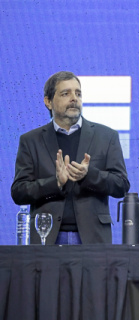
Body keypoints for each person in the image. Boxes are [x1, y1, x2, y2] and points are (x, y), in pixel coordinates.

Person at [11, 71, 130, 245]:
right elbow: (19, 192)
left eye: (78, 93)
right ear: (48, 102)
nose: (74, 98)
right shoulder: (31, 140)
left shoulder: (106, 136)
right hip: (47, 238)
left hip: (92, 239)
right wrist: (56, 183)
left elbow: (121, 185)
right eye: (65, 93)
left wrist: (89, 175)